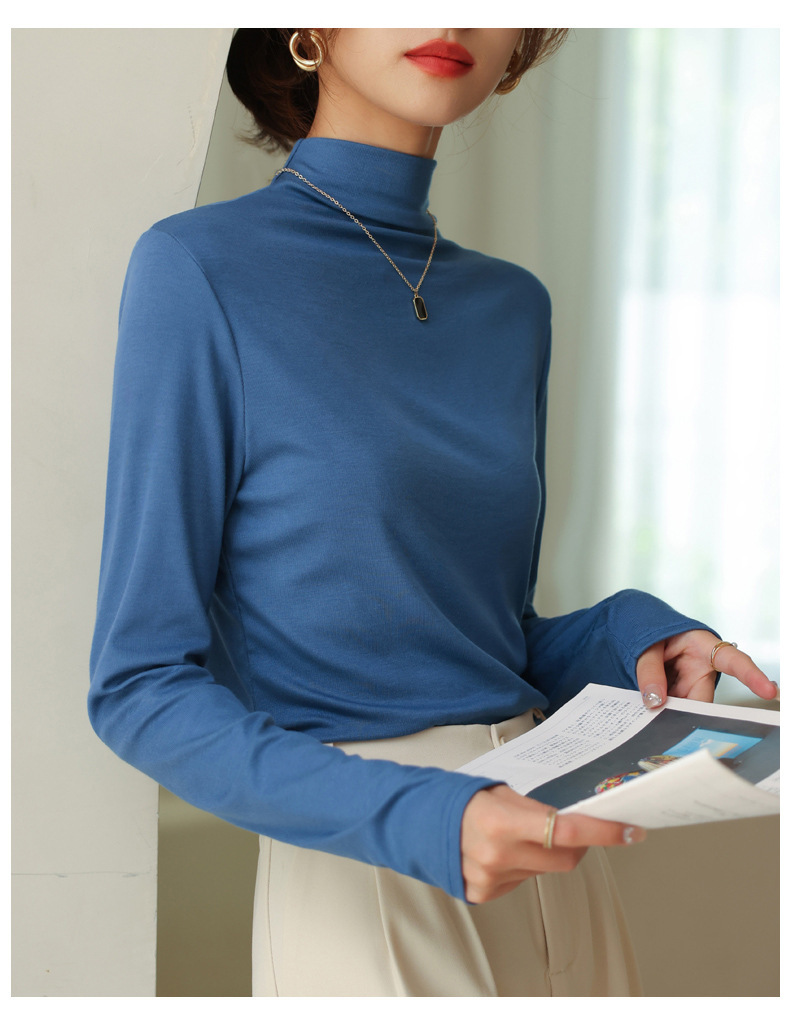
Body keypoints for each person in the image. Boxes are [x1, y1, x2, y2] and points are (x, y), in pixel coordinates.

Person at [88, 28, 778, 997]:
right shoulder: (200, 270)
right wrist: (422, 818)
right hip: (370, 865)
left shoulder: (511, 306)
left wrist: (630, 633)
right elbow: (138, 686)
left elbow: (481, 637)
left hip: (549, 854)